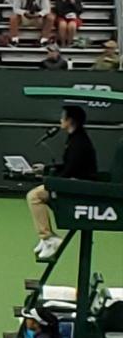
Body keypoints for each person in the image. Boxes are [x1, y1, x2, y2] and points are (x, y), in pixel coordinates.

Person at [28, 104, 101, 259]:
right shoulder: (74, 138)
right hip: (74, 183)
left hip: (79, 188)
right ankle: (47, 238)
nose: (60, 120)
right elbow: (68, 166)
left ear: (70, 121)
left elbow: (71, 170)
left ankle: (48, 239)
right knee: (36, 194)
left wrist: (51, 180)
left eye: (63, 117)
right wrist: (46, 169)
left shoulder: (79, 142)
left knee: (34, 196)